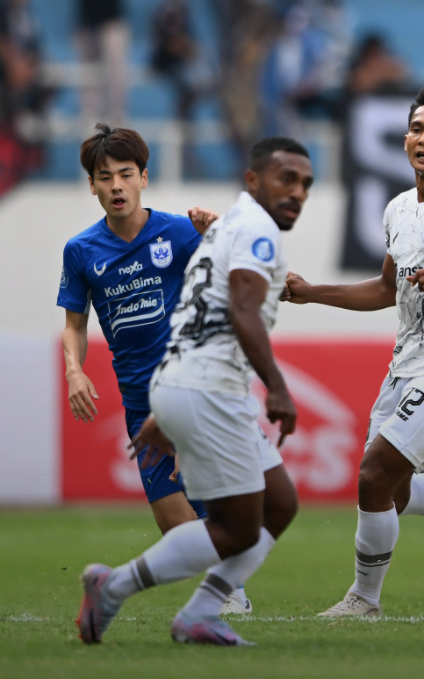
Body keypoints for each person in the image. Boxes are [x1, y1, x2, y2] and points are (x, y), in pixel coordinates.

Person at [284, 86, 424, 617]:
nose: (423, 138)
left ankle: (364, 599)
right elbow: (387, 290)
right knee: (394, 493)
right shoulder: (397, 209)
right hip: (403, 366)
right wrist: (312, 291)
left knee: (371, 476)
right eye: (417, 128)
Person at [75, 136, 312, 646]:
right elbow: (243, 313)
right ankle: (114, 587)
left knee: (280, 504)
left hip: (189, 386)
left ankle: (202, 609)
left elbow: (189, 317)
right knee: (237, 527)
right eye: (285, 180)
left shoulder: (211, 235)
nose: (297, 193)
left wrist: (170, 399)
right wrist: (277, 388)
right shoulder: (253, 233)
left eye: (305, 184)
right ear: (253, 181)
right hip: (209, 391)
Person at [57, 123, 251, 614]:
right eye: (105, 177)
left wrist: (216, 235)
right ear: (92, 184)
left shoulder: (180, 232)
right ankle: (226, 583)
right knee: (171, 517)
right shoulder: (81, 251)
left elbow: (236, 279)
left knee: (212, 498)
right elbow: (75, 325)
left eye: (126, 174)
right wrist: (75, 371)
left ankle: (228, 593)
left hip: (191, 387)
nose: (116, 186)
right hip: (138, 401)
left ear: (144, 177)